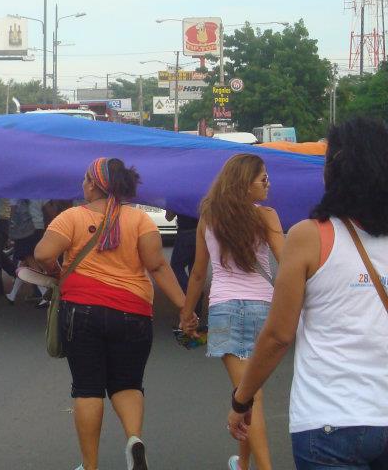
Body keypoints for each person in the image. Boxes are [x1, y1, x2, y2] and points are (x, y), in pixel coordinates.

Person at [227, 119, 388, 469]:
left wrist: (242, 399)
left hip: (329, 423)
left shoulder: (310, 236)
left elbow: (278, 336)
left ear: (336, 172)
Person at [33, 157, 189, 470]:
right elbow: (158, 266)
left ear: (94, 184)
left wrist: (57, 271)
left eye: (85, 178)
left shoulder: (72, 217)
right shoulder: (140, 220)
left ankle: (90, 465)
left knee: (88, 388)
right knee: (128, 385)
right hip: (133, 313)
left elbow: (43, 253)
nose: (82, 184)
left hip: (82, 312)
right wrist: (185, 308)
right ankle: (134, 440)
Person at [179, 154, 284, 470]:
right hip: (263, 309)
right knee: (249, 393)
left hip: (223, 310)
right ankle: (245, 463)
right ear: (245, 183)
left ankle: (255, 465)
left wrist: (187, 314)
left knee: (247, 393)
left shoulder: (208, 219)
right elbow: (288, 262)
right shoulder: (267, 216)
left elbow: (198, 274)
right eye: (263, 178)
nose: (268, 183)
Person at [6, 198, 47, 304]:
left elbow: (13, 211)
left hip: (24, 230)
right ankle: (12, 295)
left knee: (30, 261)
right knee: (23, 263)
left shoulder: (18, 192)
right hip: (39, 227)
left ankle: (45, 293)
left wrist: (11, 230)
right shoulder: (39, 191)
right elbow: (47, 207)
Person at [166, 211, 199, 292]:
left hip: (184, 234)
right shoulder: (201, 202)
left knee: (176, 266)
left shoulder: (177, 202)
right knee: (194, 267)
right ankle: (196, 293)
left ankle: (189, 291)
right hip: (200, 233)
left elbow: (169, 218)